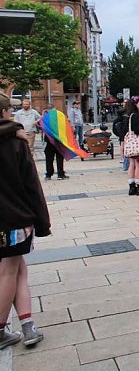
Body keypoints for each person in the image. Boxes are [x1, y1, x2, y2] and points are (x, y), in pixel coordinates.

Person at [0, 93, 51, 350]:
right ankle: (1, 329)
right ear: (5, 113)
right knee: (10, 270)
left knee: (18, 269)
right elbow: (32, 187)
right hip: (15, 219)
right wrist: (43, 222)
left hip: (9, 220)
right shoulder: (16, 144)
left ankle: (28, 325)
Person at [42, 104, 68, 180]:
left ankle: (48, 174)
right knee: (59, 157)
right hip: (58, 140)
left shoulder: (44, 118)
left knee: (49, 158)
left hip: (49, 140)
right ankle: (60, 174)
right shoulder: (60, 116)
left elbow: (39, 126)